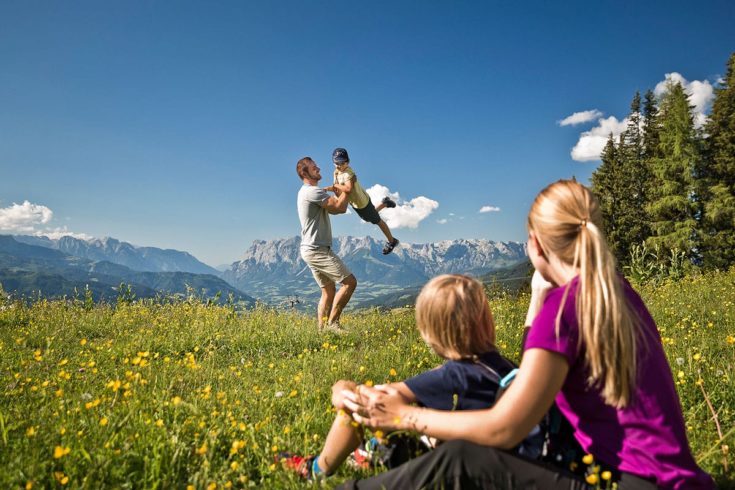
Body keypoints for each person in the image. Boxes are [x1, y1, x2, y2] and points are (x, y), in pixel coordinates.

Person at [339, 180, 715, 489]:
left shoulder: (565, 309)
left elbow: (504, 427)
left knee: (463, 459)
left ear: (534, 244)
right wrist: (538, 297)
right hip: (666, 480)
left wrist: (405, 418)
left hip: (626, 482)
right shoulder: (614, 290)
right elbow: (521, 380)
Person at [279, 274, 535, 481]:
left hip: (464, 469)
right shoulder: (506, 367)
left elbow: (371, 399)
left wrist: (341, 388)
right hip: (508, 464)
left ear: (429, 336)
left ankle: (316, 470)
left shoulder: (456, 374)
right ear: (489, 322)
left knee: (356, 408)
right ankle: (370, 452)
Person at [296, 156, 357, 332]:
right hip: (317, 250)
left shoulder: (307, 192)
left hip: (310, 249)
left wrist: (341, 190)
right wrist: (346, 187)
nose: (319, 169)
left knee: (328, 290)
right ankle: (333, 324)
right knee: (350, 283)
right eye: (314, 168)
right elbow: (340, 207)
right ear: (305, 172)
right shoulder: (312, 192)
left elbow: (336, 208)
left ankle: (322, 332)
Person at [325, 147, 400, 255]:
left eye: (342, 163)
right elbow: (339, 191)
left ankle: (392, 241)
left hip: (362, 202)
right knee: (369, 217)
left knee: (377, 221)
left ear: (348, 162)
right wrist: (329, 188)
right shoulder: (336, 173)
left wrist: (335, 186)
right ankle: (385, 203)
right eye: (337, 163)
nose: (339, 166)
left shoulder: (348, 173)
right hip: (357, 203)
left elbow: (348, 189)